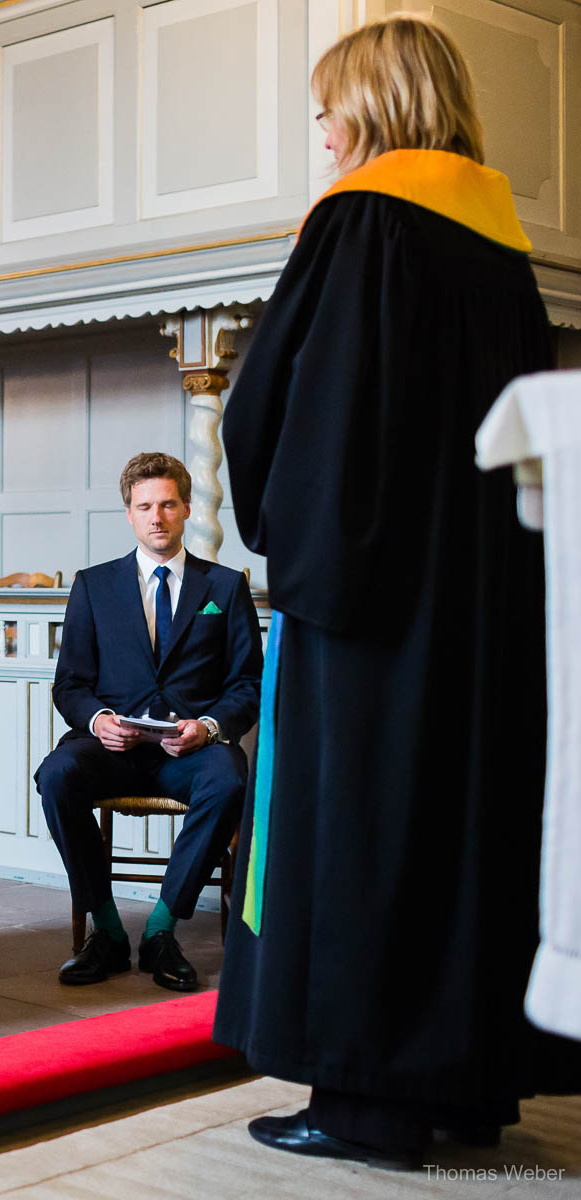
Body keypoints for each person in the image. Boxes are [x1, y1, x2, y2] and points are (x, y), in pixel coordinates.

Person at [215, 14, 581, 1167]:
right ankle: (462, 1090)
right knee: (465, 829)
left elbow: (292, 409)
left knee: (360, 833)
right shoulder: (496, 246)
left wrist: (296, 554)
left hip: (369, 608)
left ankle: (367, 1104)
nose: (321, 133)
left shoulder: (365, 220)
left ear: (370, 107)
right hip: (486, 609)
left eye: (328, 108)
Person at [35, 452, 261, 992]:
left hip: (190, 752)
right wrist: (98, 719)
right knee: (56, 775)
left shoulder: (225, 588)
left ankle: (162, 930)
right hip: (114, 749)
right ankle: (108, 932)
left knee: (230, 776)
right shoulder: (93, 585)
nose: (156, 516)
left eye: (167, 504)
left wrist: (207, 727)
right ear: (130, 515)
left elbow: (248, 684)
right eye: (144, 507)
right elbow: (69, 684)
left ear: (185, 509)